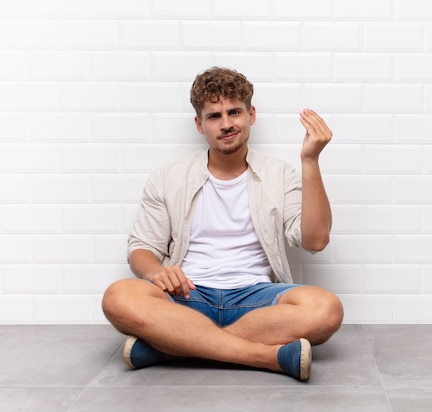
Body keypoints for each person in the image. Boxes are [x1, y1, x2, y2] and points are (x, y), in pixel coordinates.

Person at [102, 67, 343, 381]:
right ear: (199, 124)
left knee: (326, 308)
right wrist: (157, 272)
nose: (227, 124)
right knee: (117, 297)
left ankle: (171, 346)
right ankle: (264, 356)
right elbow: (142, 248)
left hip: (256, 298)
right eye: (214, 116)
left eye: (234, 112)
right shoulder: (168, 177)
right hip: (187, 295)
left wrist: (310, 161)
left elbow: (315, 241)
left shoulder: (279, 174)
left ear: (250, 114)